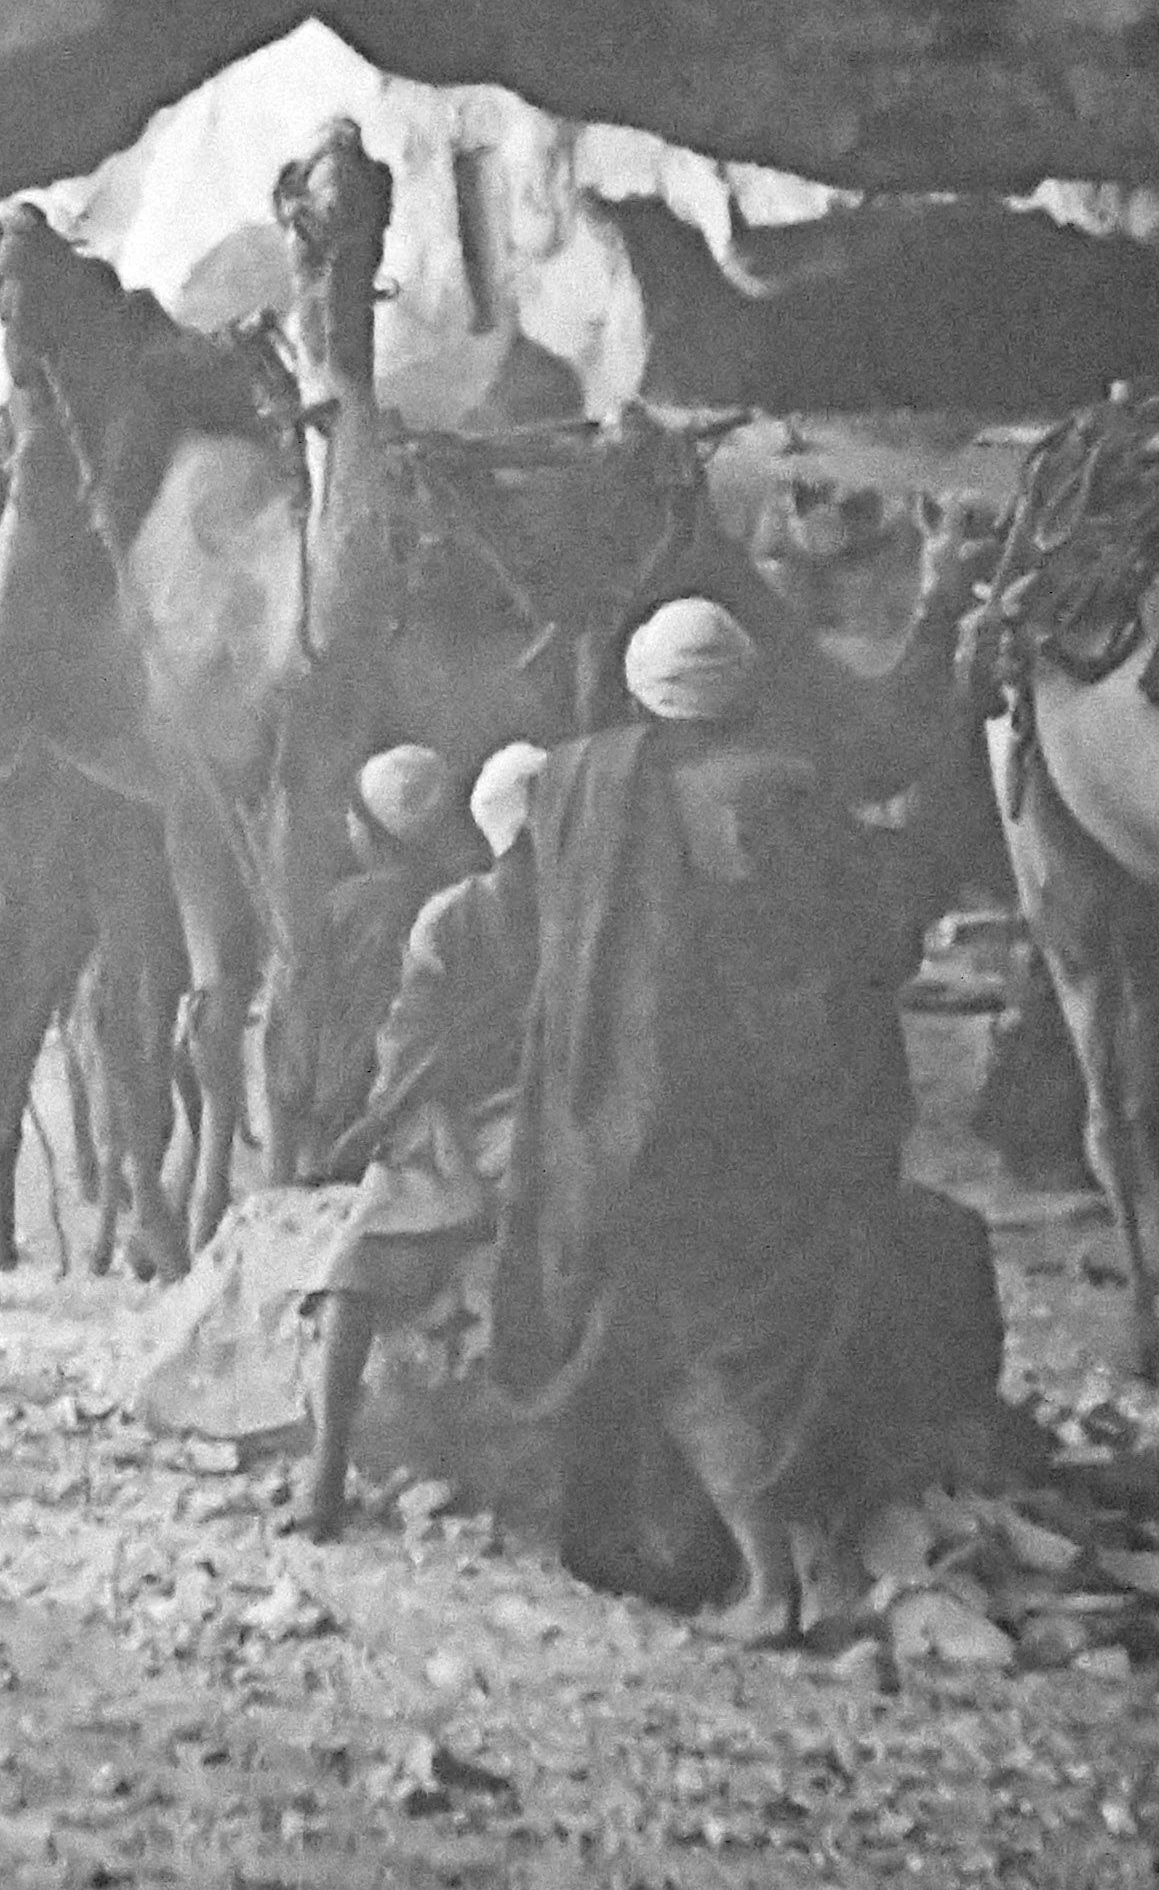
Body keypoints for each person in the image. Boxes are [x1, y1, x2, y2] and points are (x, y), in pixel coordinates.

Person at [492, 594, 1003, 1640]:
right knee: (750, 1327)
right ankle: (786, 1564)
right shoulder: (782, 792)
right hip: (764, 1121)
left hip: (624, 1112)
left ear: (641, 687)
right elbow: (865, 948)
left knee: (674, 1335)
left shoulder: (577, 784)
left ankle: (761, 1572)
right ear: (745, 685)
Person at [303, 741, 547, 1536]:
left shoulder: (454, 916)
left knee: (356, 1268)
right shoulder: (581, 909)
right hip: (526, 1121)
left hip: (479, 1126)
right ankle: (327, 1475)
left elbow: (406, 1050)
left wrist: (378, 1121)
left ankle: (325, 1475)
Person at [291, 741, 467, 1166]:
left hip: (346, 1101)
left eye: (354, 820)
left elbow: (307, 1014)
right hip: (425, 1095)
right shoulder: (456, 895)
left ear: (377, 834)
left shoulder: (341, 906)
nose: (348, 827)